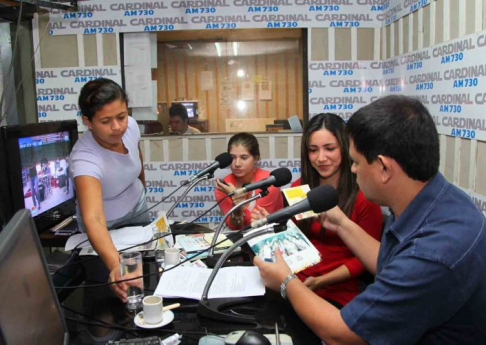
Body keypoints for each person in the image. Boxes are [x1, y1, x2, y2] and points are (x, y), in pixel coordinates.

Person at [254, 95, 486, 344]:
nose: (352, 170)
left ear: (384, 168)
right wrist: (342, 224)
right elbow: (386, 262)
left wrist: (286, 281)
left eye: (355, 162)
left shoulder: (431, 253)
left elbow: (341, 335)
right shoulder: (434, 201)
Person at [253, 113, 382, 308]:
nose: (321, 158)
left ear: (345, 147)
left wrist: (321, 281)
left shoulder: (364, 196)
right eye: (313, 150)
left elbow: (366, 259)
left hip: (337, 292)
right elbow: (291, 242)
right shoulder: (298, 189)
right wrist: (271, 229)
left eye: (330, 149)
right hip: (293, 281)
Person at [70, 78, 150, 303]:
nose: (118, 127)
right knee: (112, 284)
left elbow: (137, 157)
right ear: (88, 121)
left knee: (146, 273)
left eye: (121, 117)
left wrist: (142, 186)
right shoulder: (84, 158)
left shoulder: (131, 125)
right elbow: (93, 218)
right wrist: (116, 265)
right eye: (106, 121)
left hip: (137, 206)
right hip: (105, 223)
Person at [215, 132, 284, 230]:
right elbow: (235, 227)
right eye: (233, 158)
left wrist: (239, 202)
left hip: (270, 234)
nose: (237, 164)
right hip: (238, 238)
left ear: (255, 158)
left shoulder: (270, 181)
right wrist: (237, 204)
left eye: (244, 158)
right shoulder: (224, 186)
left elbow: (255, 224)